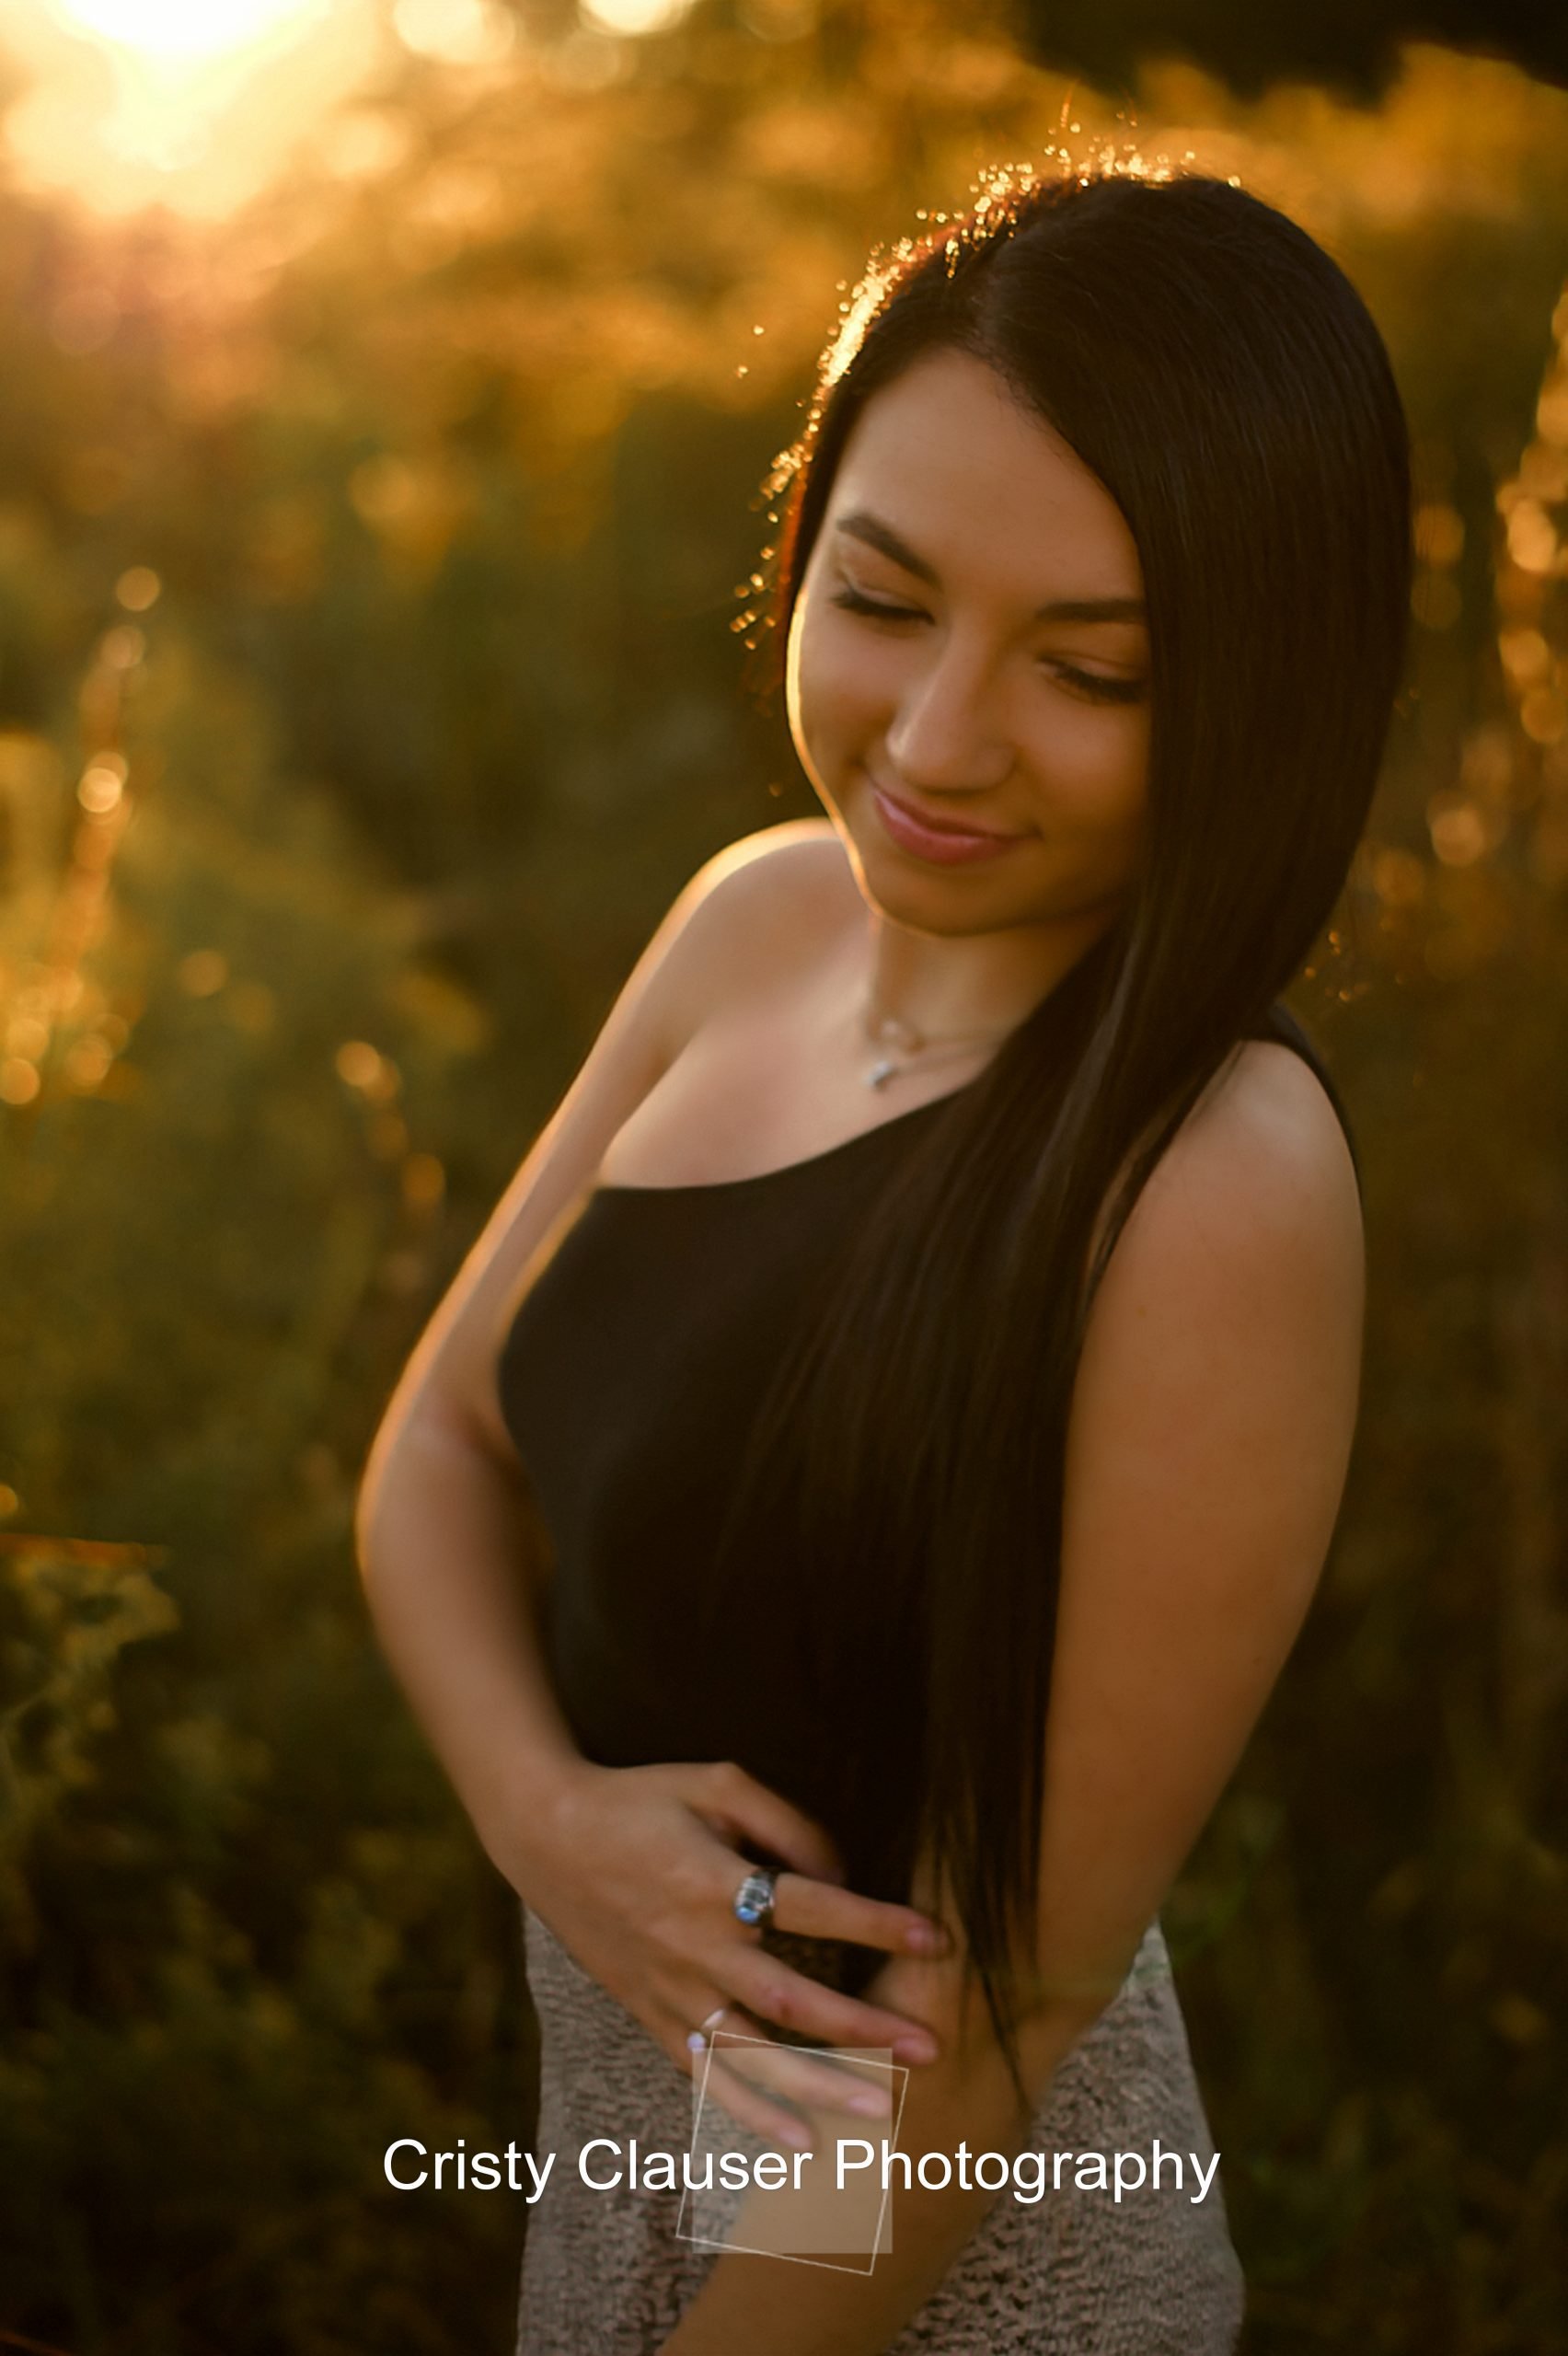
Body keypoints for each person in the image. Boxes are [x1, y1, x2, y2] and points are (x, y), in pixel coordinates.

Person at [356, 162, 1411, 2354]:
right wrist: (551, 1820)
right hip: (605, 2190)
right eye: (887, 596)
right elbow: (436, 1456)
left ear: (1257, 690)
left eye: (1090, 668)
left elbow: (1001, 1998)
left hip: (941, 2277)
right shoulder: (753, 917)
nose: (935, 744)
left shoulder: (1214, 1172)